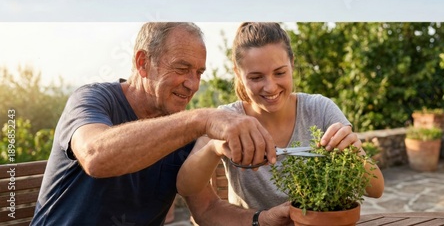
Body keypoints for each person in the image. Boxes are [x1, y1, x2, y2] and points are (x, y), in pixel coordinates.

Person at [31, 22, 291, 226]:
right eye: (181, 68)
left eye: (199, 72)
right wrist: (204, 118)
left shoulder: (183, 129)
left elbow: (208, 210)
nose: (193, 84)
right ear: (143, 63)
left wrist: (263, 220)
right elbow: (95, 156)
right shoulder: (93, 99)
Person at [177, 22, 384, 214]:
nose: (270, 87)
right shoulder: (226, 117)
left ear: (292, 64)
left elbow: (376, 190)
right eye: (256, 77)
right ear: (238, 74)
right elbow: (185, 186)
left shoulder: (320, 109)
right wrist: (215, 148)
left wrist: (354, 153)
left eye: (279, 73)